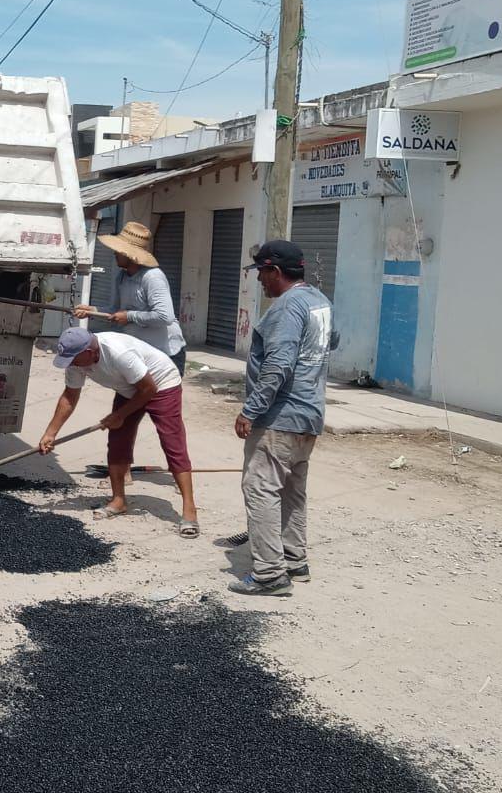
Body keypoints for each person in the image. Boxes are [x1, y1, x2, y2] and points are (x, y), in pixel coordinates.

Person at [230, 240, 332, 597]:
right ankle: (294, 560)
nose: (259, 280)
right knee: (292, 491)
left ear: (275, 271)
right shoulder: (319, 301)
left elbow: (278, 365)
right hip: (310, 414)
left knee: (261, 489)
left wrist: (251, 410)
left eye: (261, 272)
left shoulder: (287, 307)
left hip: (280, 416)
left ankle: (270, 574)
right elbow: (330, 341)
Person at [39, 326, 198, 536]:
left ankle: (189, 510)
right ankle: (119, 500)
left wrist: (120, 415)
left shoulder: (118, 353)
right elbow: (69, 396)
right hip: (130, 387)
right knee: (117, 440)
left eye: (74, 359)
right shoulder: (77, 361)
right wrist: (51, 433)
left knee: (171, 441)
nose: (71, 365)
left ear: (89, 351)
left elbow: (149, 389)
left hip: (161, 383)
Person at [73, 220, 186, 373]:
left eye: (118, 250)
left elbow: (165, 316)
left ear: (129, 254)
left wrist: (130, 316)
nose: (114, 253)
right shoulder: (121, 277)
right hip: (140, 352)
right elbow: (115, 311)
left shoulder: (152, 277)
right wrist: (91, 311)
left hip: (166, 353)